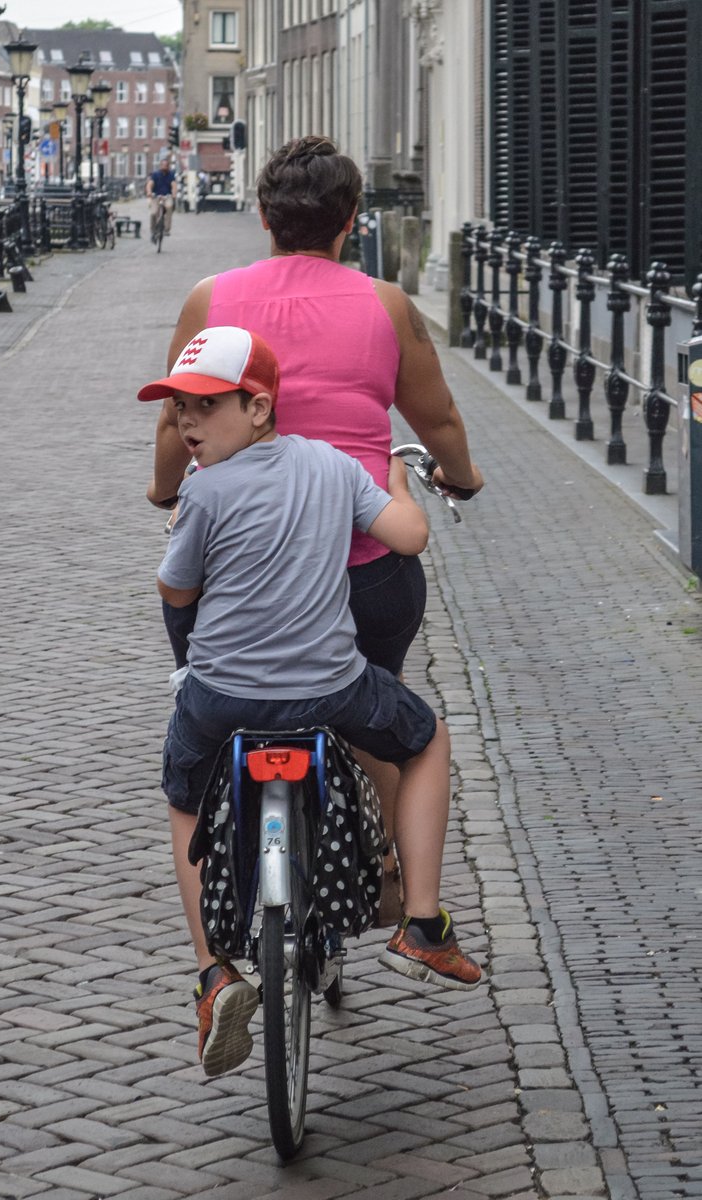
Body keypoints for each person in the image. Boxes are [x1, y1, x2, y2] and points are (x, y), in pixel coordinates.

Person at [147, 135, 484, 925]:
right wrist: (461, 476)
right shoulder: (385, 303)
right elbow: (436, 416)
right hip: (365, 563)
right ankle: (389, 875)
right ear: (351, 220)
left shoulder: (209, 298)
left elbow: (174, 421)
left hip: (242, 574)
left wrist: (164, 490)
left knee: (212, 681)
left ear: (264, 217)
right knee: (379, 695)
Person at [138, 325, 483, 1078]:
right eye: (178, 407)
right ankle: (423, 925)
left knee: (185, 799)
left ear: (258, 408)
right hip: (332, 690)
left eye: (205, 405)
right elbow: (409, 537)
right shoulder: (332, 466)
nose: (186, 421)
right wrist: (394, 481)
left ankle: (213, 973)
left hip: (222, 699)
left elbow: (176, 591)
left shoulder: (203, 491)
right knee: (426, 741)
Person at [146, 156, 176, 242]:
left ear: (168, 166)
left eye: (166, 165)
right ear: (160, 166)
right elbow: (150, 184)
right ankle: (153, 231)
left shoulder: (171, 175)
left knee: (169, 206)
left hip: (167, 196)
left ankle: (166, 229)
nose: (164, 167)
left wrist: (174, 194)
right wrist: (149, 192)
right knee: (153, 213)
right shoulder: (155, 174)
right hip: (156, 196)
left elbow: (174, 185)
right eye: (163, 165)